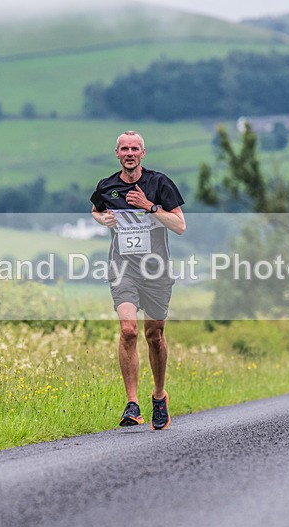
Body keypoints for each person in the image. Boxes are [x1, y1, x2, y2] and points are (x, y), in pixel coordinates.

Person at [90, 130, 186, 430]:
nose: (129, 153)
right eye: (124, 149)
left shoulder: (159, 184)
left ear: (143, 153)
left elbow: (180, 225)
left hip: (156, 271)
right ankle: (132, 404)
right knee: (129, 330)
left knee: (154, 336)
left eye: (135, 148)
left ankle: (159, 395)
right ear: (117, 153)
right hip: (123, 269)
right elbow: (95, 210)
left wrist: (150, 207)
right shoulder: (107, 186)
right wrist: (102, 219)